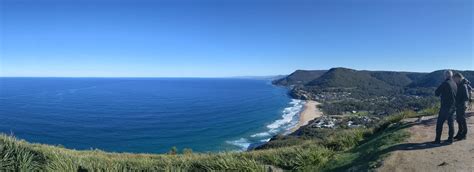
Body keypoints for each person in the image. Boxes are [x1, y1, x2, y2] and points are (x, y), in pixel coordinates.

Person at [434, 70, 457, 145]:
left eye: (444, 75)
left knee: (439, 124)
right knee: (451, 123)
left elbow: (436, 93)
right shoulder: (454, 83)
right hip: (453, 106)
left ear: (446, 75)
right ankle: (450, 140)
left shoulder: (445, 83)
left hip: (445, 107)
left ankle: (437, 140)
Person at [453, 73, 470, 140]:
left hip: (461, 106)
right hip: (458, 105)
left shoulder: (463, 85)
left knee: (462, 120)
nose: (454, 80)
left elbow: (466, 97)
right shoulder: (459, 85)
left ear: (459, 78)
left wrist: (460, 104)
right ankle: (459, 133)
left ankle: (464, 134)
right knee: (459, 120)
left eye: (455, 78)